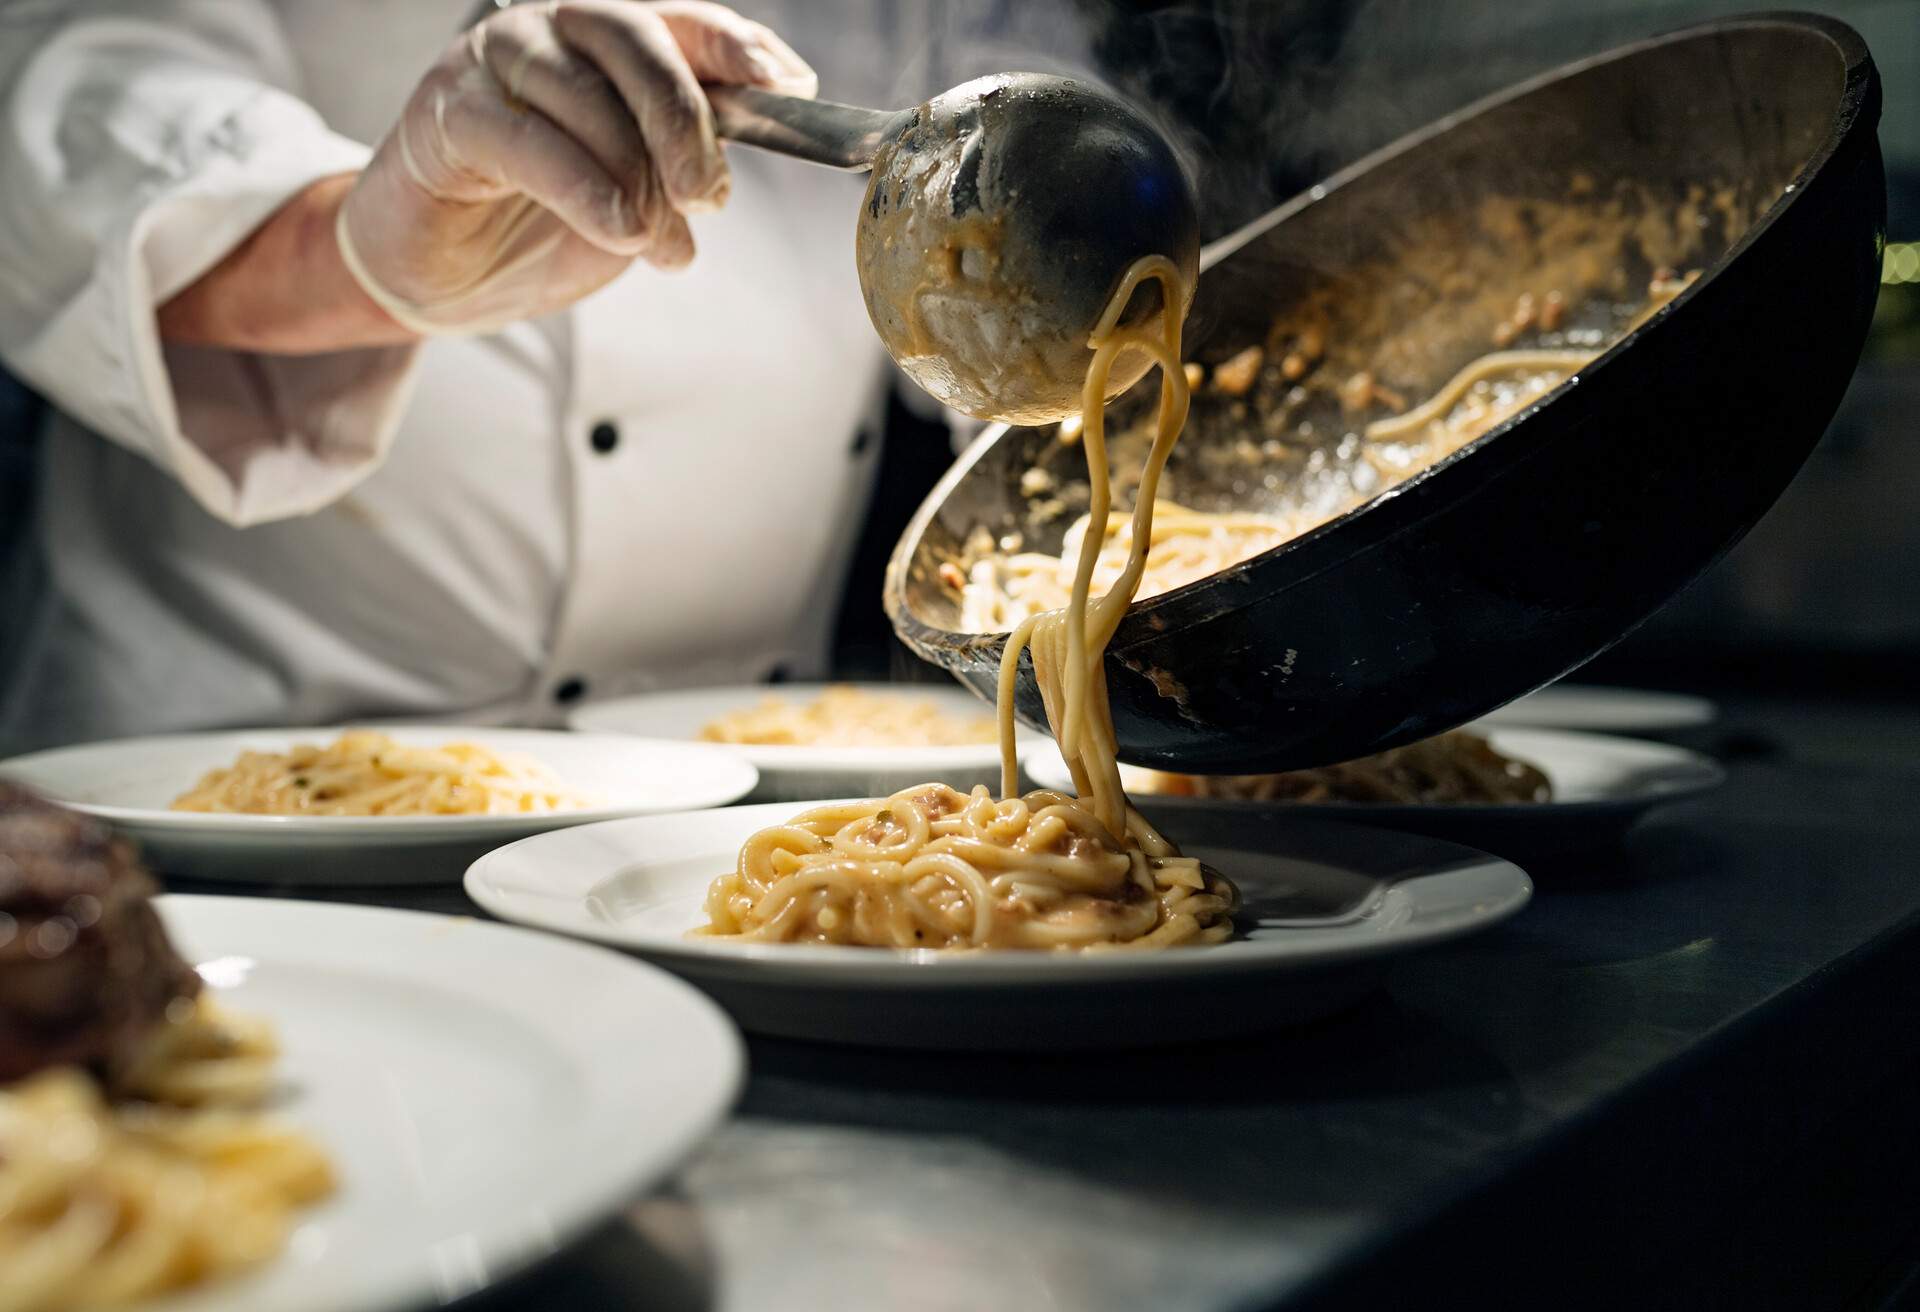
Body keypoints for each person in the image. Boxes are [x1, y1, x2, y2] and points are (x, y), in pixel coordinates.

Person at [0, 0, 1090, 753]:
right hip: (216, 782)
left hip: (755, 796)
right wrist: (359, 252)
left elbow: (1019, 154)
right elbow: (63, 113)